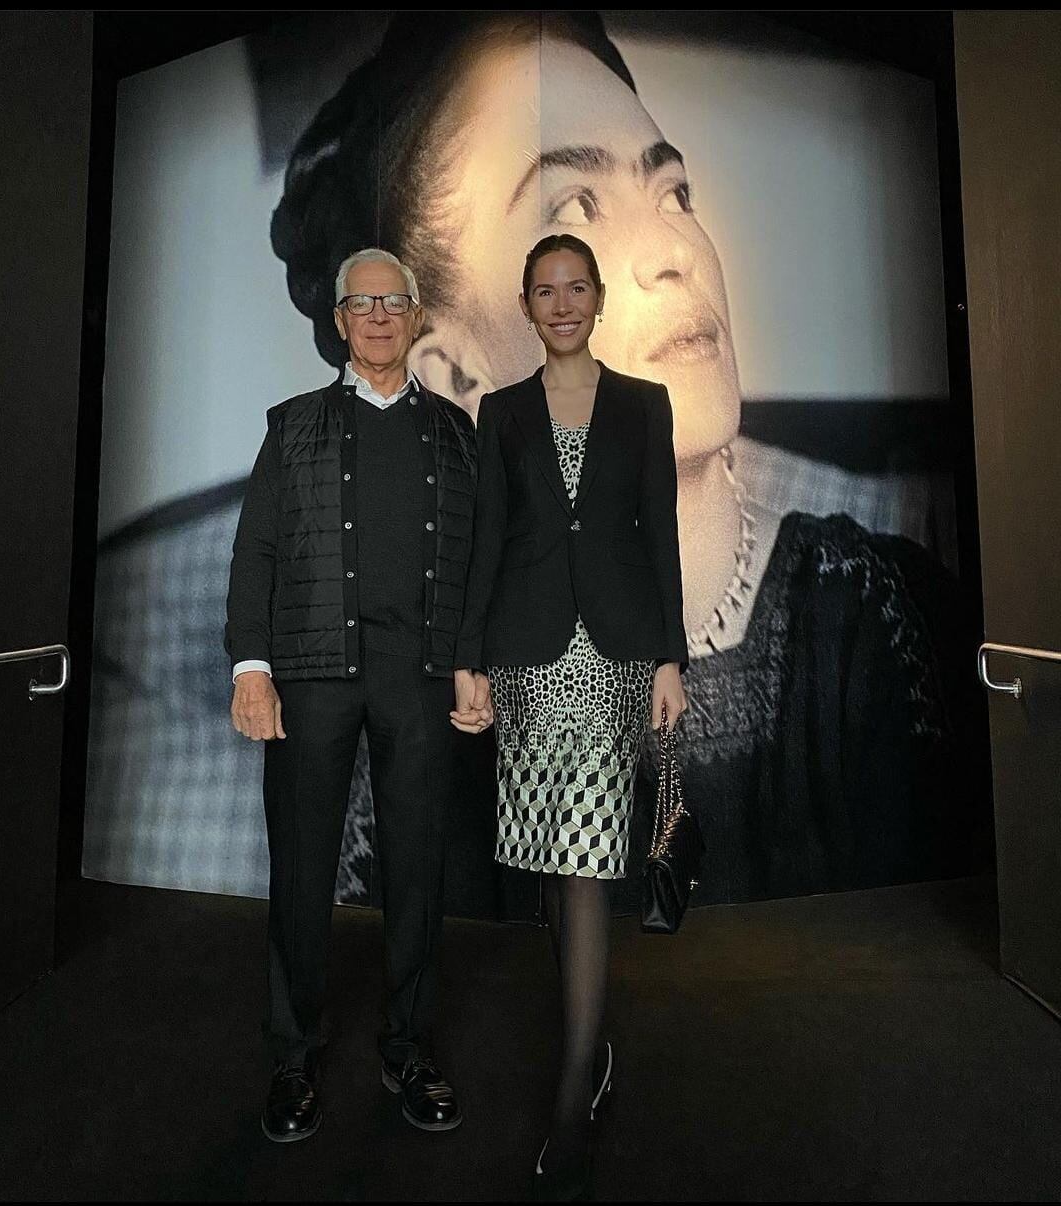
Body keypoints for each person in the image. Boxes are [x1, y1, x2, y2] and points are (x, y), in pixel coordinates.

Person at [272, 10, 988, 913]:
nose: (674, 253)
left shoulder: (885, 618)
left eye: (674, 191)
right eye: (574, 209)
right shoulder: (412, 728)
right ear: (450, 372)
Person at [450, 233, 688, 1200]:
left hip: (616, 656)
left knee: (587, 867)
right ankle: (594, 1046)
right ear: (524, 303)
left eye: (575, 287)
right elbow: (486, 544)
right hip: (529, 655)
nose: (561, 303)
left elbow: (661, 532)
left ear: (598, 299)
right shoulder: (499, 412)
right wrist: (470, 660)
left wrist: (671, 654)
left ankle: (571, 1093)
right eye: (543, 290)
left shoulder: (645, 404)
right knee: (557, 858)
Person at [225, 247, 479, 1141]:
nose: (377, 315)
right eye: (360, 302)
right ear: (338, 321)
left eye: (393, 301)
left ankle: (408, 1046)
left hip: (417, 680)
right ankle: (293, 1058)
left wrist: (471, 660)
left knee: (418, 870)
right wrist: (249, 668)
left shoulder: (456, 431)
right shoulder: (292, 425)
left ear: (415, 316)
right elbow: (256, 549)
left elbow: (476, 562)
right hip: (308, 679)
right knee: (301, 869)